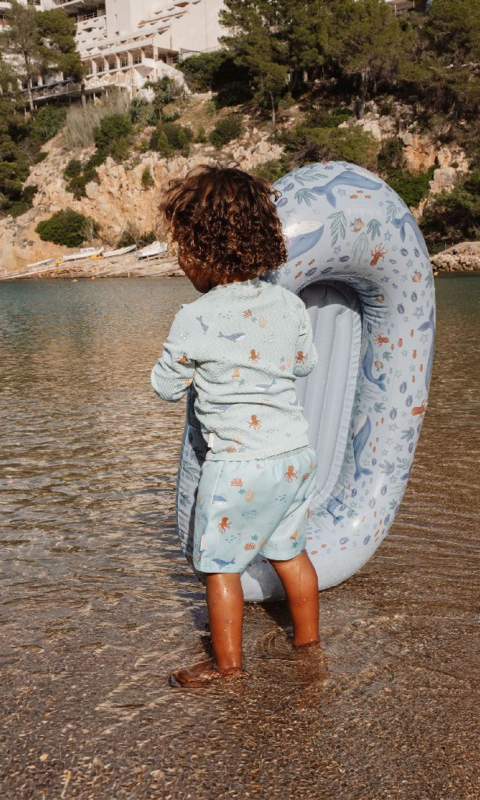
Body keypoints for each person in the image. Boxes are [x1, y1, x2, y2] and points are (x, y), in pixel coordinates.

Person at [151, 165, 322, 688]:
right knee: (292, 555)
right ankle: (309, 646)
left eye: (182, 248)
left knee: (219, 567)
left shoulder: (195, 317)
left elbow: (165, 386)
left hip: (237, 466)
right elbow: (304, 363)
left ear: (199, 251)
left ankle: (227, 668)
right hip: (294, 456)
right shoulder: (289, 303)